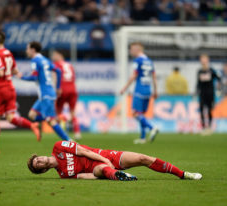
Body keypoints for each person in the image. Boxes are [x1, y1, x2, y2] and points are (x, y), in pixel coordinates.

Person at [0, 31, 40, 155]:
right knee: (10, 118)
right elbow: (15, 70)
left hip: (1, 88)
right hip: (10, 87)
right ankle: (31, 125)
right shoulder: (8, 53)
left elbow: (0, 73)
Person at [27, 140, 202, 181]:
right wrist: (97, 176)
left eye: (38, 159)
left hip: (105, 155)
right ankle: (120, 176)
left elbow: (84, 151)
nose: (41, 161)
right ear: (43, 170)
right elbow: (82, 177)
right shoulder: (63, 174)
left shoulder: (58, 147)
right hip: (98, 167)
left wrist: (105, 159)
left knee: (143, 158)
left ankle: (183, 174)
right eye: (39, 165)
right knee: (100, 171)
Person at [19, 41, 71, 141]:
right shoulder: (45, 60)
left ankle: (69, 140)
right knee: (32, 115)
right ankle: (56, 117)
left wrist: (21, 77)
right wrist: (58, 87)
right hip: (47, 93)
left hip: (45, 94)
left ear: (33, 50)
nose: (26, 51)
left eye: (27, 48)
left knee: (50, 121)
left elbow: (34, 77)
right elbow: (59, 71)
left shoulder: (35, 60)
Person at [120, 42, 159, 144]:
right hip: (148, 90)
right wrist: (155, 91)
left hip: (139, 89)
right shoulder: (150, 61)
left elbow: (134, 76)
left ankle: (152, 127)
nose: (130, 51)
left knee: (135, 113)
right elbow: (154, 77)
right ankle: (142, 138)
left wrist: (124, 88)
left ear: (137, 50)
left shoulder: (137, 61)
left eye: (132, 49)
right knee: (141, 114)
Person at [51, 50, 81, 140]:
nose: (53, 57)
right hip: (73, 90)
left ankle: (61, 131)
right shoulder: (70, 65)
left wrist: (55, 89)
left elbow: (55, 77)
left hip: (62, 89)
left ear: (60, 55)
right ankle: (77, 133)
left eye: (55, 54)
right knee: (72, 112)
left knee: (58, 112)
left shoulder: (56, 64)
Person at [197, 54, 221, 135]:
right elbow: (198, 83)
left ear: (207, 60)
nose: (203, 61)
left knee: (210, 110)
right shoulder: (199, 71)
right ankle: (203, 127)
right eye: (202, 59)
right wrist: (196, 91)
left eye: (204, 59)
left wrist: (218, 88)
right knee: (202, 110)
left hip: (210, 93)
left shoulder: (211, 70)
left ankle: (210, 127)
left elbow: (219, 78)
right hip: (202, 94)